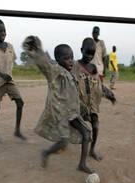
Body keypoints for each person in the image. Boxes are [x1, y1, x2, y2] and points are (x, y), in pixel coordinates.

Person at [22, 36, 94, 174]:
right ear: (58, 60)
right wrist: (36, 49)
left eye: (71, 57)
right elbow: (44, 63)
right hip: (61, 113)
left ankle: (82, 164)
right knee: (64, 141)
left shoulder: (71, 74)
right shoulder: (54, 71)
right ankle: (46, 153)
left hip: (72, 112)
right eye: (66, 58)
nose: (70, 61)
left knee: (86, 133)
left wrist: (84, 110)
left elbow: (74, 95)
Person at [71, 38, 116, 162]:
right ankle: (62, 142)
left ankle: (92, 150)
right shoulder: (74, 66)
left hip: (91, 105)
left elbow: (99, 85)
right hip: (78, 104)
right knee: (70, 125)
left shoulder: (93, 68)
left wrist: (109, 94)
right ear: (81, 50)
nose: (89, 56)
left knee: (95, 126)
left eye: (92, 54)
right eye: (87, 53)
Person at [0, 18, 26, 143]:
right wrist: (2, 75)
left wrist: (8, 74)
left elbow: (12, 60)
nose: (2, 34)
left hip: (10, 81)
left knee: (20, 103)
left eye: (4, 31)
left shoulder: (10, 46)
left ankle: (17, 130)